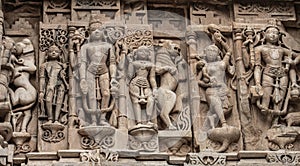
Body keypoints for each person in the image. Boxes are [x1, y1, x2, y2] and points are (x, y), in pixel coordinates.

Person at [254, 25, 298, 126]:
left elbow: (298, 56)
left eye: (275, 33)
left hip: (282, 73)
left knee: (280, 99)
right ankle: (265, 120)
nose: (273, 35)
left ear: (279, 36)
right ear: (264, 34)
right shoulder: (259, 49)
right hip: (268, 72)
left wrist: (293, 62)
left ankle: (276, 122)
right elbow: (257, 66)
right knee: (266, 97)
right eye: (270, 32)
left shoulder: (282, 50)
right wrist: (257, 82)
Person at [79, 27, 117, 126]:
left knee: (106, 94)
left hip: (104, 70)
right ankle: (93, 120)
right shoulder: (85, 47)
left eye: (98, 29)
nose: (96, 31)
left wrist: (113, 78)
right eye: (93, 30)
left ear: (103, 32)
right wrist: (82, 78)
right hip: (90, 70)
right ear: (89, 33)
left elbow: (112, 63)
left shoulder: (108, 46)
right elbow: (82, 63)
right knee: (91, 95)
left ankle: (103, 119)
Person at [198, 44, 231, 129]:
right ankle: (224, 123)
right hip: (211, 89)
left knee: (228, 109)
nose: (211, 53)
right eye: (209, 51)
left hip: (223, 89)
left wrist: (220, 41)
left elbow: (229, 51)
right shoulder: (205, 66)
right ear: (205, 53)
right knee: (217, 104)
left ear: (218, 54)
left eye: (214, 51)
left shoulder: (222, 63)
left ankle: (213, 118)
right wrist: (207, 84)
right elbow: (197, 80)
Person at [39, 45, 68, 124]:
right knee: (48, 100)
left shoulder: (62, 65)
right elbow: (42, 78)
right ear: (47, 53)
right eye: (51, 51)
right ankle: (50, 119)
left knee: (59, 101)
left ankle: (56, 119)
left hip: (60, 84)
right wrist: (41, 91)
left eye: (56, 51)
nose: (54, 52)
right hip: (49, 84)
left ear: (60, 54)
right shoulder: (44, 65)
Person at [128, 46, 156, 125]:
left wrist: (154, 88)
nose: (143, 53)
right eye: (141, 51)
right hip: (135, 83)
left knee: (151, 100)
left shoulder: (151, 65)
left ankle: (149, 120)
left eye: (145, 52)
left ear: (149, 55)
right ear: (136, 54)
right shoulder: (134, 63)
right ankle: (139, 122)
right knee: (136, 102)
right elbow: (130, 75)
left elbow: (152, 78)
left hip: (146, 84)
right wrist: (130, 62)